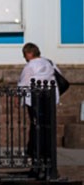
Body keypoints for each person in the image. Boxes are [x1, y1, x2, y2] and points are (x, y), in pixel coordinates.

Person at [18, 43, 59, 177]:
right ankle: (49, 163)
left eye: (25, 54)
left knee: (36, 129)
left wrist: (21, 99)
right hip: (50, 100)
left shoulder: (30, 66)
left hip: (35, 101)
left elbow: (23, 85)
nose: (24, 57)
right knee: (48, 129)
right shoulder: (49, 63)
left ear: (29, 53)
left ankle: (36, 162)